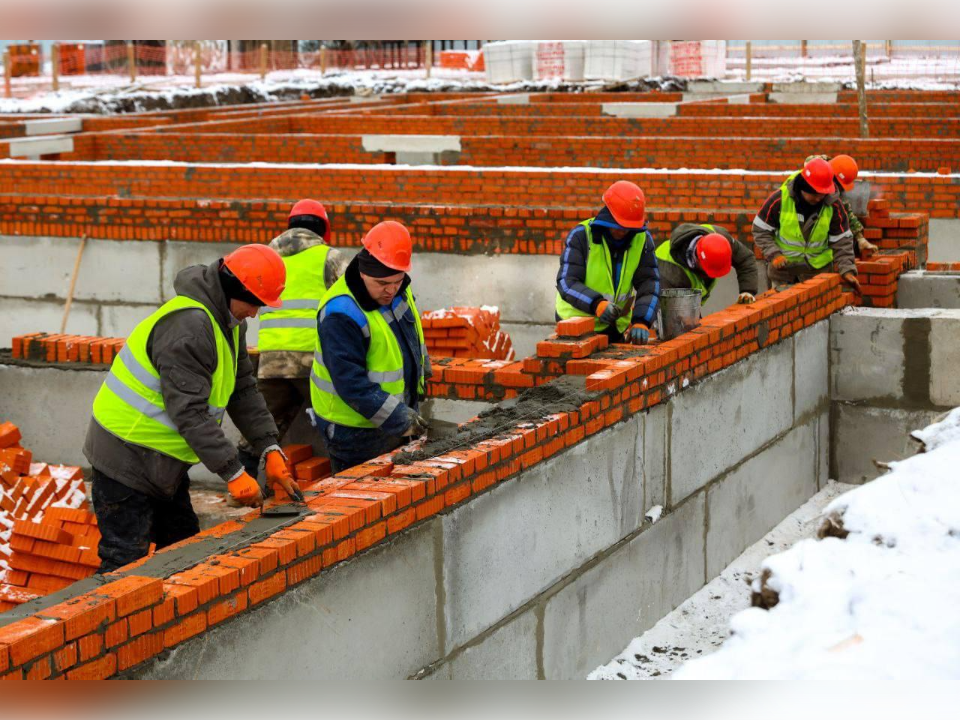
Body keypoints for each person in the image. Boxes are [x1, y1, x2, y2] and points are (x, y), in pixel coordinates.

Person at [84, 245, 302, 573]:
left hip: (163, 461)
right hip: (125, 456)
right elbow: (188, 411)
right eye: (254, 303)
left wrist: (268, 446)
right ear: (233, 290)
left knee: (183, 552)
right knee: (124, 563)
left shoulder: (229, 323)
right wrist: (233, 472)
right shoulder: (190, 326)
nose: (255, 313)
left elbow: (243, 389)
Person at [236, 199, 347, 476]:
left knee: (259, 431)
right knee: (340, 426)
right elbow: (351, 301)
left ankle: (240, 487)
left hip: (272, 360)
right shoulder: (329, 257)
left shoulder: (267, 257)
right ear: (323, 228)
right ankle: (345, 490)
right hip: (316, 362)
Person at [310, 221, 430, 472]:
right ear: (363, 272)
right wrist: (401, 419)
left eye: (397, 281)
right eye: (382, 284)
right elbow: (351, 384)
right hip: (353, 430)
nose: (391, 290)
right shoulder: (341, 312)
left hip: (392, 416)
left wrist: (422, 371)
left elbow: (411, 333)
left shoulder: (398, 288)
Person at [555, 180, 660, 345]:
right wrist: (596, 304)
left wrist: (642, 320)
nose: (623, 231)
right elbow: (567, 283)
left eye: (628, 227)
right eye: (618, 225)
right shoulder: (582, 236)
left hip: (613, 326)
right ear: (608, 216)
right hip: (576, 327)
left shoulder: (642, 239)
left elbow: (649, 282)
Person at [752, 157, 861, 296]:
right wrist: (774, 254)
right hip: (784, 274)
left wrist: (847, 270)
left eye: (822, 194)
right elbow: (760, 230)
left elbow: (842, 241)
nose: (818, 198)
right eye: (814, 194)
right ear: (804, 187)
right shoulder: (780, 199)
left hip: (816, 275)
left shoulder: (833, 205)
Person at [656, 223, 759, 305]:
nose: (713, 276)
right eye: (711, 270)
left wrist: (747, 291)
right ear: (697, 259)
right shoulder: (670, 272)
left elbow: (745, 258)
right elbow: (674, 314)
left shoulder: (720, 238)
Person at [805, 154, 878, 258]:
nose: (838, 188)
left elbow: (845, 209)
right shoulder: (813, 169)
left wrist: (860, 238)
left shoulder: (834, 187)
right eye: (838, 184)